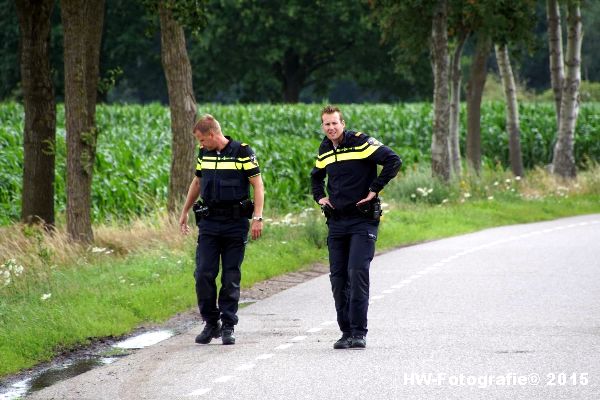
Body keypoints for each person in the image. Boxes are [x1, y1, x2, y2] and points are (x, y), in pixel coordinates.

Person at [311, 105, 401, 349]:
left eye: (335, 123)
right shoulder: (325, 148)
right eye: (326, 124)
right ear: (323, 126)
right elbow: (315, 176)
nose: (331, 128)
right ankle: (346, 332)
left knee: (357, 272)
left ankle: (359, 332)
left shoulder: (361, 142)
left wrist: (375, 188)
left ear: (343, 123)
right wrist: (320, 197)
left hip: (363, 220)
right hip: (337, 222)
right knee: (338, 278)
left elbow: (393, 160)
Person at [179, 114, 264, 345]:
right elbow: (197, 182)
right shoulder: (204, 154)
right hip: (209, 223)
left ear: (213, 135)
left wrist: (258, 217)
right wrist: (185, 211)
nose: (200, 145)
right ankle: (211, 322)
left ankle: (228, 325)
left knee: (230, 276)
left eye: (202, 140)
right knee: (203, 273)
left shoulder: (242, 152)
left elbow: (258, 184)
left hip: (235, 224)